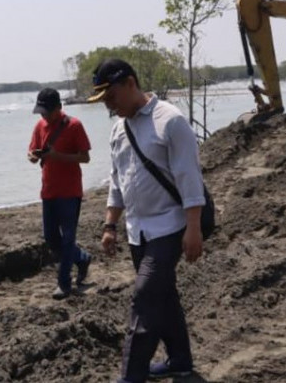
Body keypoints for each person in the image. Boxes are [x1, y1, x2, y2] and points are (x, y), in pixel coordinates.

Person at [87, 59, 206, 383]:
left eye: (111, 97)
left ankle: (131, 375)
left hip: (170, 226)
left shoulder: (170, 120)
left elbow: (189, 178)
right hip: (137, 231)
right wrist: (110, 225)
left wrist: (193, 228)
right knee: (163, 296)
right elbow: (117, 180)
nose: (109, 106)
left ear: (129, 83)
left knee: (144, 298)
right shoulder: (118, 129)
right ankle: (180, 360)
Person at [28, 88, 92, 299]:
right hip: (48, 191)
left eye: (46, 111)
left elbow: (85, 157)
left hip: (70, 192)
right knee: (51, 238)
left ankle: (64, 283)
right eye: (40, 111)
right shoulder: (40, 125)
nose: (42, 115)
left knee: (68, 239)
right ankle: (81, 258)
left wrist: (58, 156)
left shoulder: (74, 126)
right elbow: (32, 150)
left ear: (58, 108)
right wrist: (33, 156)